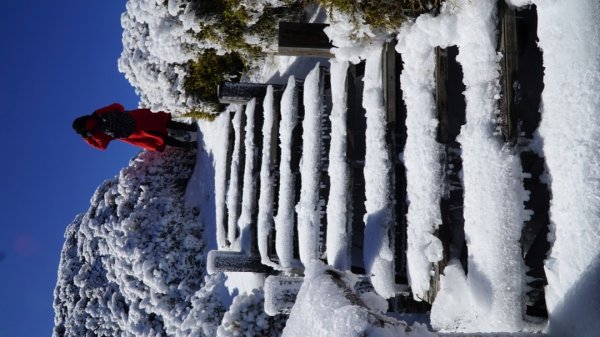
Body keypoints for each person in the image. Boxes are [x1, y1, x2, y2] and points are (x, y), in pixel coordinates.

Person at [73, 103, 197, 152]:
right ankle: (190, 127)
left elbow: (102, 146)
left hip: (133, 133)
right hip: (135, 117)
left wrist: (87, 138)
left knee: (160, 138)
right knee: (162, 121)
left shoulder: (96, 134)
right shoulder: (97, 114)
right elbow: (118, 106)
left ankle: (189, 145)